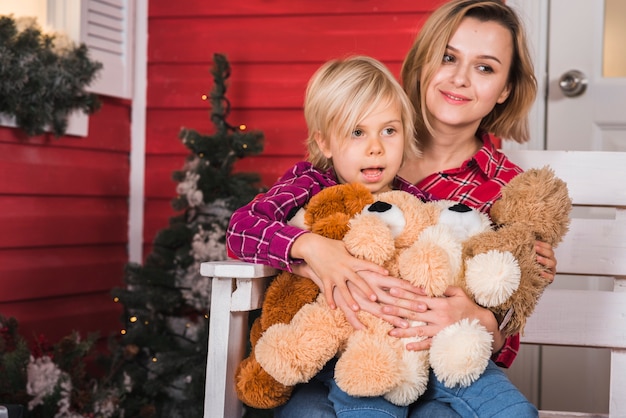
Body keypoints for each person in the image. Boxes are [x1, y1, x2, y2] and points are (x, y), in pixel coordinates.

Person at [263, 0, 556, 417]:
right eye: (448, 57)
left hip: (438, 368)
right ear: (422, 62)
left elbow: (506, 319)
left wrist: (483, 320)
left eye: (485, 67)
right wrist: (311, 252)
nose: (459, 78)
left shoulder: (510, 192)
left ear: (505, 88)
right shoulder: (362, 150)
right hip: (343, 358)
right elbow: (275, 222)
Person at [227, 54, 434, 417]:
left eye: (389, 130)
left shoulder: (411, 201)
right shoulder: (308, 184)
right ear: (325, 143)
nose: (376, 147)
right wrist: (308, 245)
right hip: (313, 355)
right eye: (357, 132)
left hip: (381, 356)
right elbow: (241, 230)